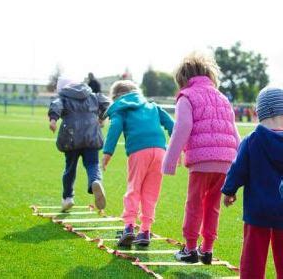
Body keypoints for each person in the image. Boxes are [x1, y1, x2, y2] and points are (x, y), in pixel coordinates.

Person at [162, 52, 240, 264]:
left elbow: (182, 127)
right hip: (226, 161)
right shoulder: (223, 98)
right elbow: (234, 132)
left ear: (183, 79)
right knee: (212, 205)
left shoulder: (187, 97)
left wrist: (169, 162)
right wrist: (239, 165)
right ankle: (207, 249)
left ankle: (189, 249)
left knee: (194, 204)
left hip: (201, 162)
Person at [102, 80, 174, 247]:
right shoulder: (152, 106)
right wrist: (178, 149)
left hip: (139, 151)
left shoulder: (121, 109)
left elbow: (115, 128)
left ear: (116, 97)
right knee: (151, 192)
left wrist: (107, 154)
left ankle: (128, 228)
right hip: (160, 152)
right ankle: (145, 231)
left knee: (134, 188)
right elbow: (173, 125)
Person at [222, 87, 283, 279]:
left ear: (259, 113)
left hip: (257, 210)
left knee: (252, 257)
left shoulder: (251, 140)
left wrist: (229, 190)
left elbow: (238, 169)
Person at [48, 77, 110, 212]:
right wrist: (102, 117)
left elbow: (56, 105)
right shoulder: (92, 96)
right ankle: (95, 181)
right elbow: (107, 103)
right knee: (92, 164)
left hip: (71, 139)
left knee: (70, 168)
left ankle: (68, 198)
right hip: (91, 136)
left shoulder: (64, 98)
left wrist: (53, 120)